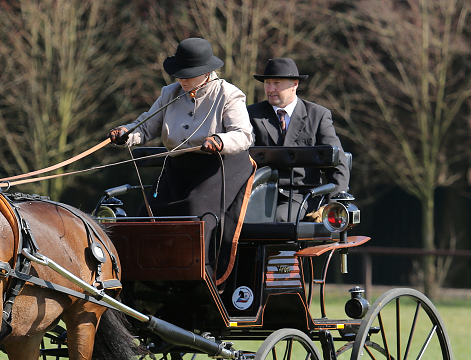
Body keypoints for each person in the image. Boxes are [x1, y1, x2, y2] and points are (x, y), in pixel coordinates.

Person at [108, 38, 255, 277]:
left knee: (193, 215)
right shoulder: (170, 93)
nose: (182, 80)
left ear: (207, 73)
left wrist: (219, 141)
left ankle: (201, 277)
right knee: (145, 217)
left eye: (188, 75)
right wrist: (126, 133)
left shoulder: (229, 94)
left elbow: (244, 135)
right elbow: (144, 128)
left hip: (219, 167)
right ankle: (140, 279)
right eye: (179, 75)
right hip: (179, 167)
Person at [247, 58, 350, 222]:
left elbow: (338, 162)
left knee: (277, 219)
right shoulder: (251, 114)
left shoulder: (318, 115)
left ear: (295, 84)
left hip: (302, 196)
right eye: (267, 83)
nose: (270, 89)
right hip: (259, 193)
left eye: (277, 83)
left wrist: (332, 204)